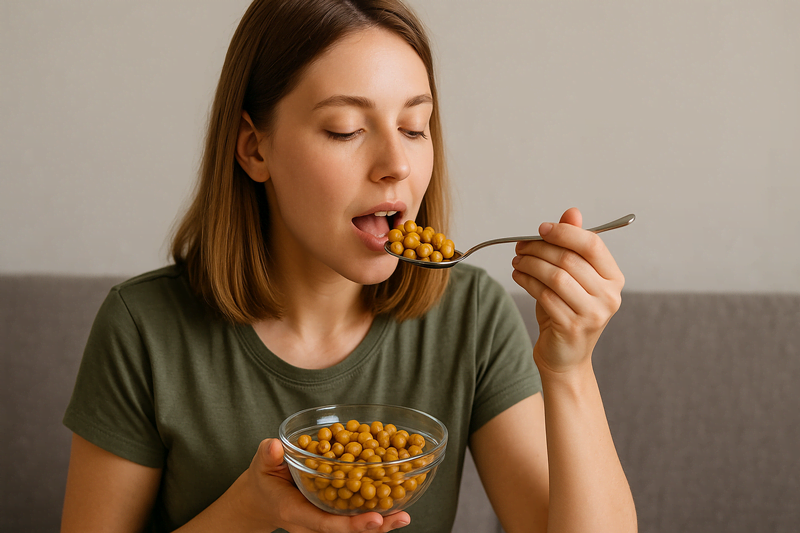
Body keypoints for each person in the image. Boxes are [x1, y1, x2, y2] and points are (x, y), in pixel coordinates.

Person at [60, 0, 637, 532]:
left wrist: (569, 370)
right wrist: (249, 510)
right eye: (346, 130)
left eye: (415, 128)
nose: (396, 164)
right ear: (254, 148)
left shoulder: (471, 315)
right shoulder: (143, 328)